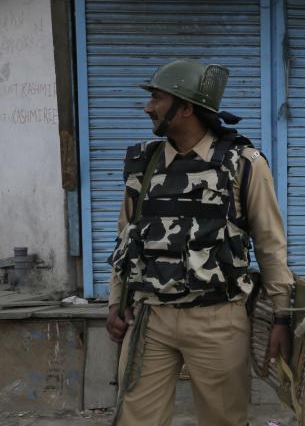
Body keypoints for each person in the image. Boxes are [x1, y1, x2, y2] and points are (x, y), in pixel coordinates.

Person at [105, 59, 293, 426]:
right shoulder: (143, 164)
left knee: (223, 420)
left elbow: (271, 245)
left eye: (157, 98)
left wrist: (282, 317)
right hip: (151, 317)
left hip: (218, 320)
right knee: (134, 419)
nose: (148, 107)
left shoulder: (244, 164)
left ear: (186, 108)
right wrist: (116, 302)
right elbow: (126, 239)